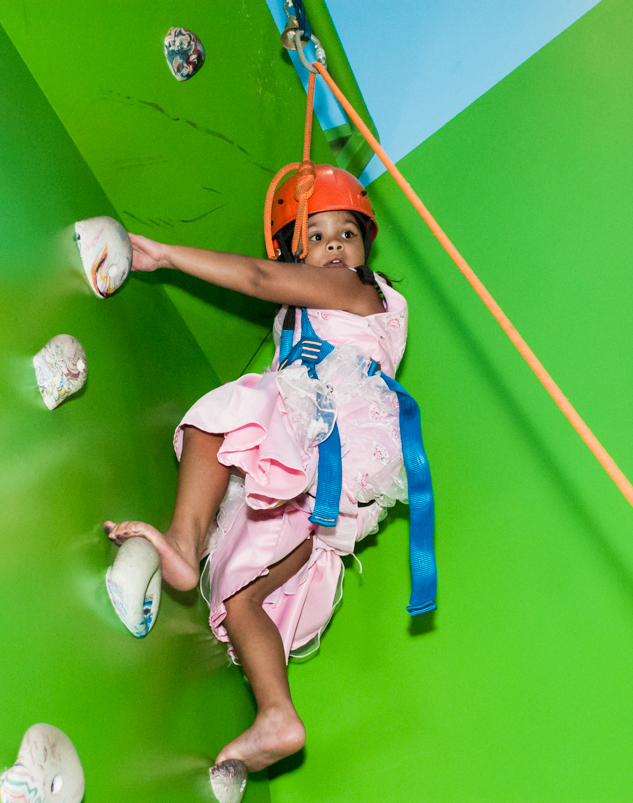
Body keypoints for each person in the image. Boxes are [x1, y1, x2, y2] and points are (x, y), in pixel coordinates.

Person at [104, 165, 415, 772]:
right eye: (317, 235)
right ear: (298, 246)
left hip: (327, 436)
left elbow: (257, 275)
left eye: (346, 234)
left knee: (220, 416)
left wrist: (165, 254)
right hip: (324, 490)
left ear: (365, 249)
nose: (333, 246)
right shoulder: (324, 310)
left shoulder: (359, 289)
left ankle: (181, 540)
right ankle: (277, 713)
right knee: (241, 597)